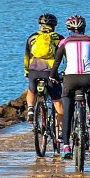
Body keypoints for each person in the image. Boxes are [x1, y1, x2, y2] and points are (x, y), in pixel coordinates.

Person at [54, 14, 90, 157]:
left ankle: (66, 147)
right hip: (88, 78)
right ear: (84, 28)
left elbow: (56, 63)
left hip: (70, 79)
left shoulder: (64, 42)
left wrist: (53, 76)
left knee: (67, 113)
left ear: (68, 29)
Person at [23, 12, 64, 140]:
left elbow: (27, 56)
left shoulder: (32, 38)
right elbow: (66, 56)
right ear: (54, 26)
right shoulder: (59, 38)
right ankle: (61, 130)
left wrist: (27, 72)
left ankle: (30, 109)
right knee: (57, 100)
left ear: (40, 25)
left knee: (31, 90)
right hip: (50, 72)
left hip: (33, 71)